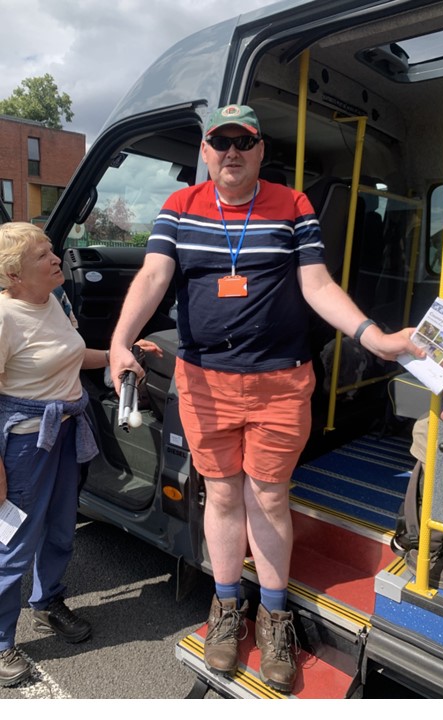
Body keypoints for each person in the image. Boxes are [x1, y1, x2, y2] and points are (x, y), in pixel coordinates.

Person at [107, 104, 422, 693]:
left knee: (270, 498)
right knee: (223, 495)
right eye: (220, 141)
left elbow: (317, 283)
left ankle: (274, 613)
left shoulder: (293, 206)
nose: (231, 151)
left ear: (260, 149)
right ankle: (228, 608)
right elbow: (152, 277)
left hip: (280, 381)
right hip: (205, 381)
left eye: (243, 141)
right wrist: (120, 341)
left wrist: (372, 336)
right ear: (205, 151)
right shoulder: (179, 208)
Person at [0, 223, 160, 686]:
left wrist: (119, 353)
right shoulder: (5, 318)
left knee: (60, 529)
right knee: (13, 542)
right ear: (13, 275)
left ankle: (47, 604)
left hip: (67, 431)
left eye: (53, 249)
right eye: (42, 256)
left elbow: (71, 356)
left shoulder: (53, 300)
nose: (57, 258)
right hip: (25, 444)